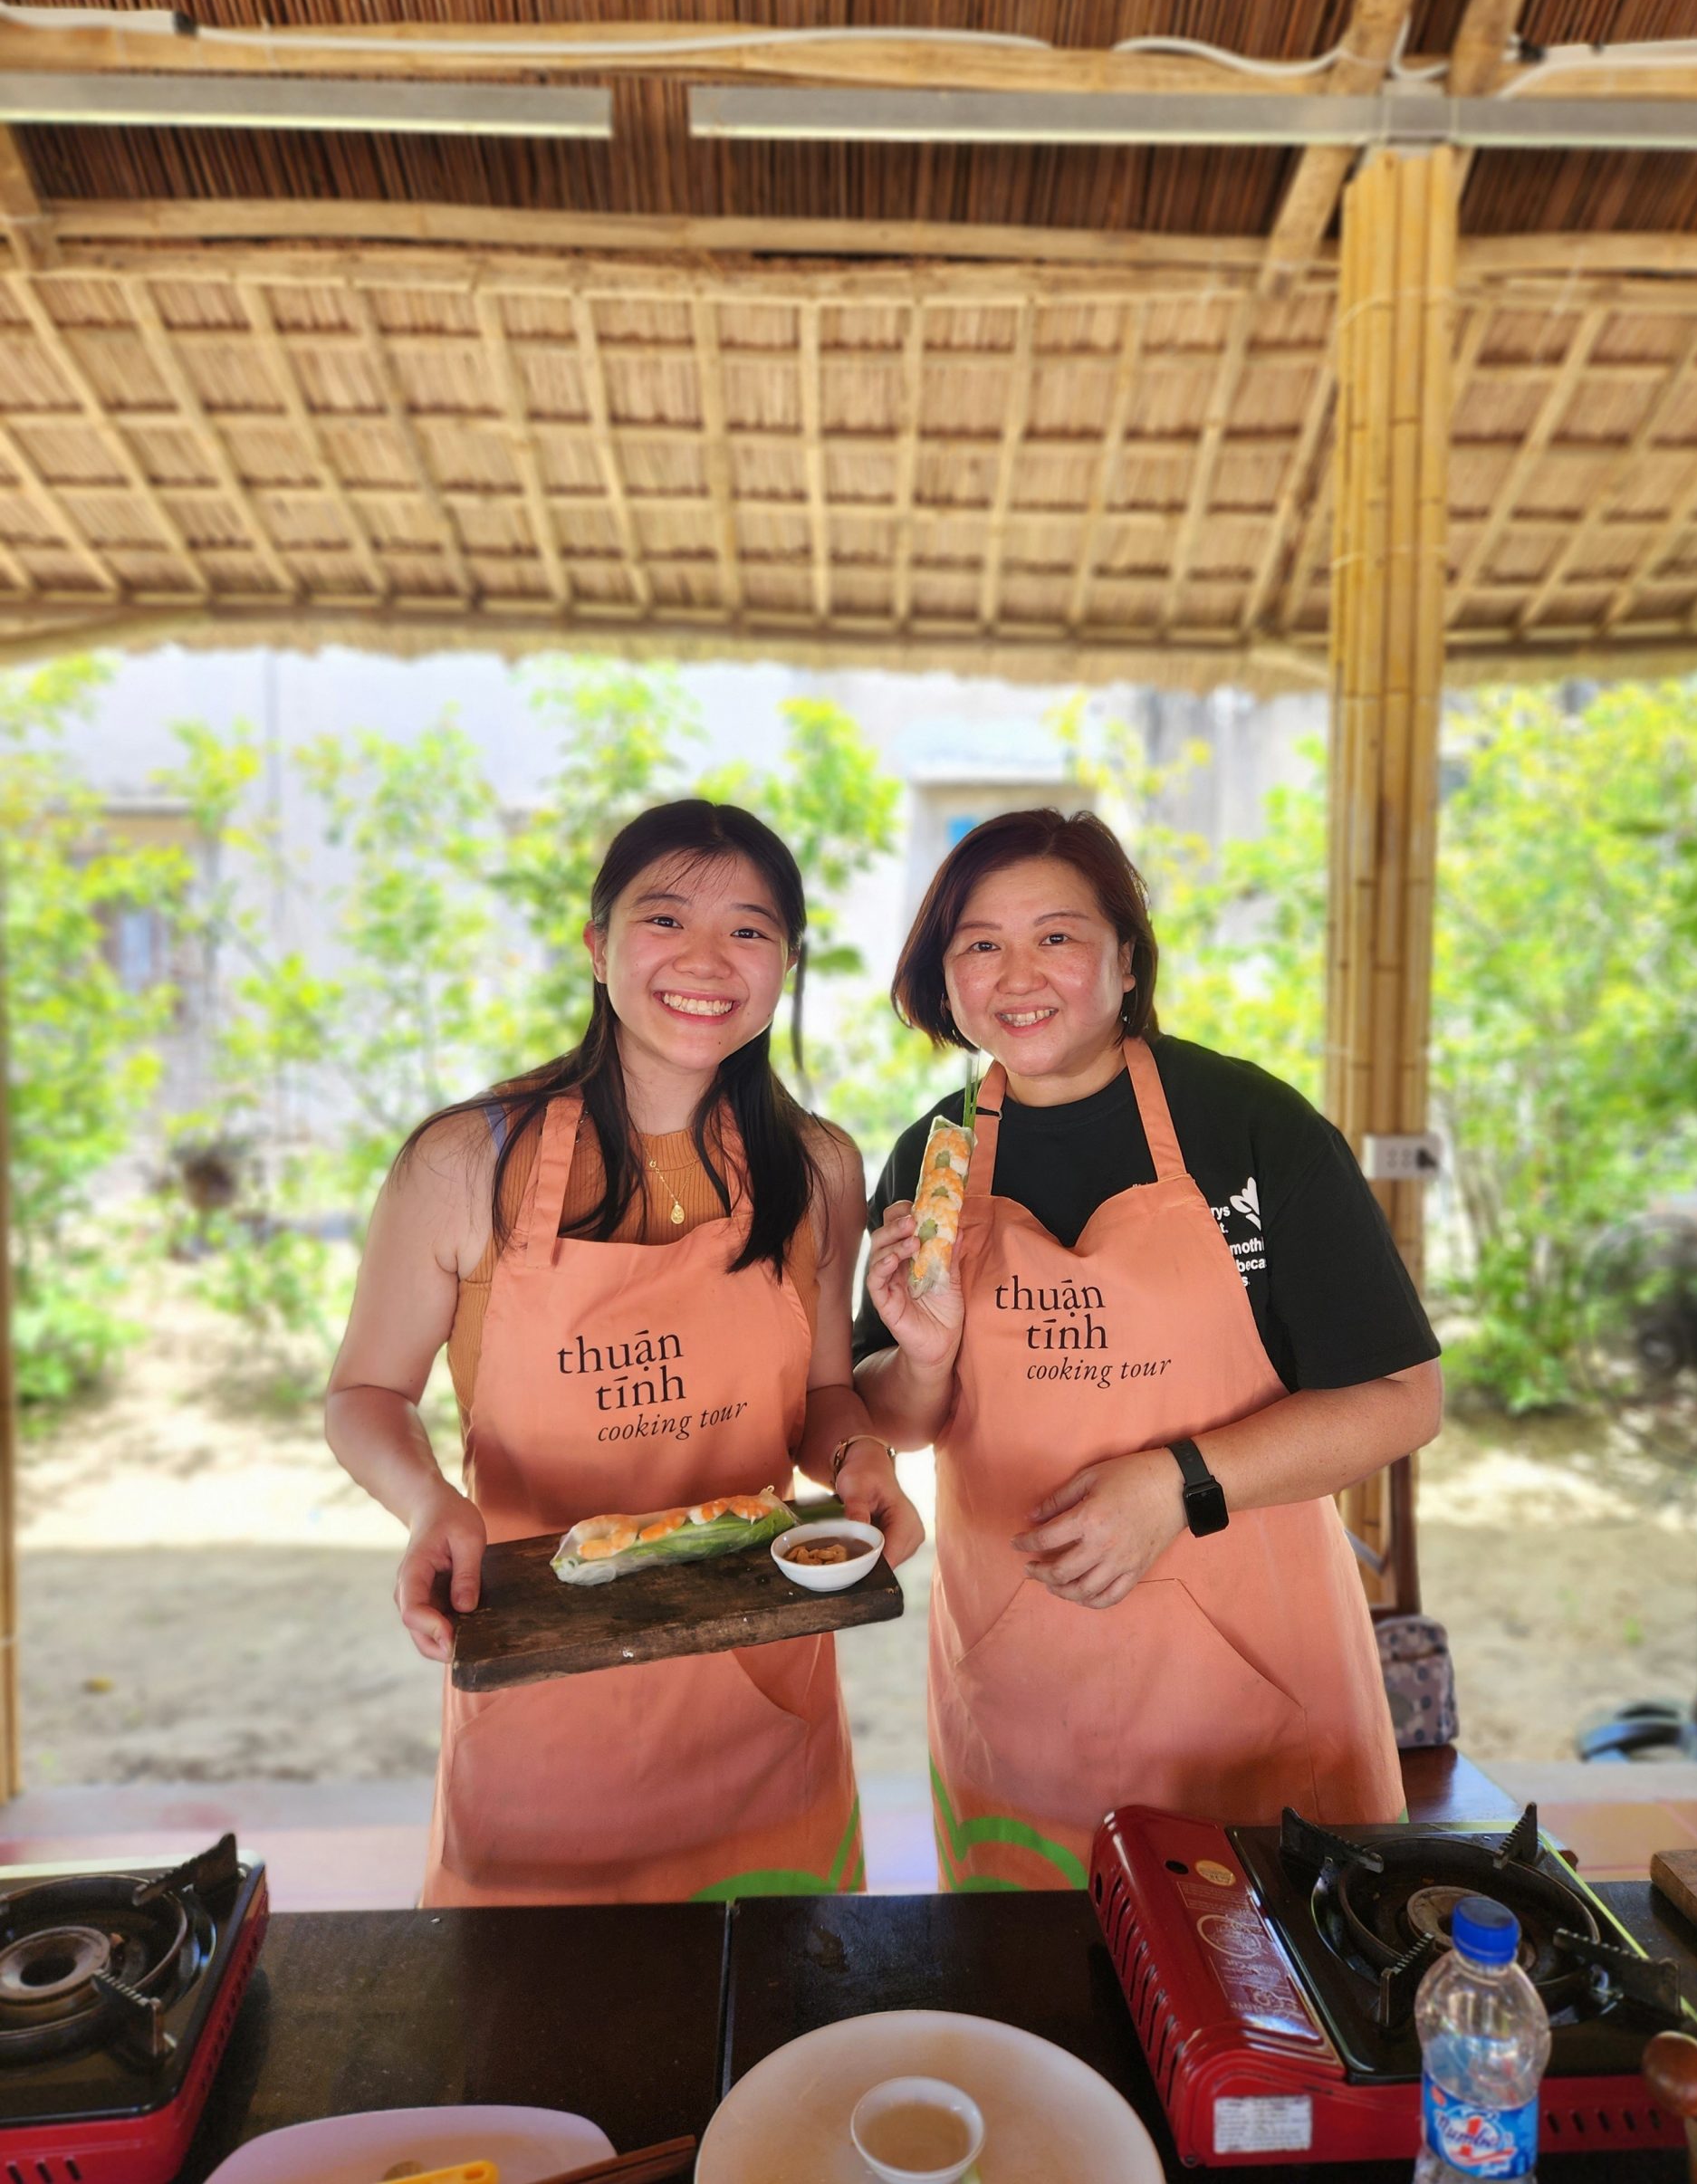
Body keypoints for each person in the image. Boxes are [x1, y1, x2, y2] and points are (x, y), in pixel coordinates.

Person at [327, 798, 922, 1904]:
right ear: (598, 947)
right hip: (542, 1701)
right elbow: (364, 1393)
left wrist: (860, 1463)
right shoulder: (466, 1162)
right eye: (666, 919)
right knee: (536, 2045)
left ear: (787, 964)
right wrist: (424, 1503)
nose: (708, 960)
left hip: (760, 1701)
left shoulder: (818, 1167)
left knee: (778, 2044)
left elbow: (827, 1396)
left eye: (750, 930)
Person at [855, 809, 1440, 1892]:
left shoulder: (1249, 1127)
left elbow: (1402, 1397)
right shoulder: (931, 1154)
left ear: (1126, 959)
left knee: (1267, 2016)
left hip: (1251, 1688)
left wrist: (1179, 1483)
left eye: (1057, 936)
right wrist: (924, 1355)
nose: (1016, 973)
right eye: (979, 942)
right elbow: (891, 1416)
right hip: (1021, 1679)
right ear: (946, 977)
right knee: (1038, 2009)